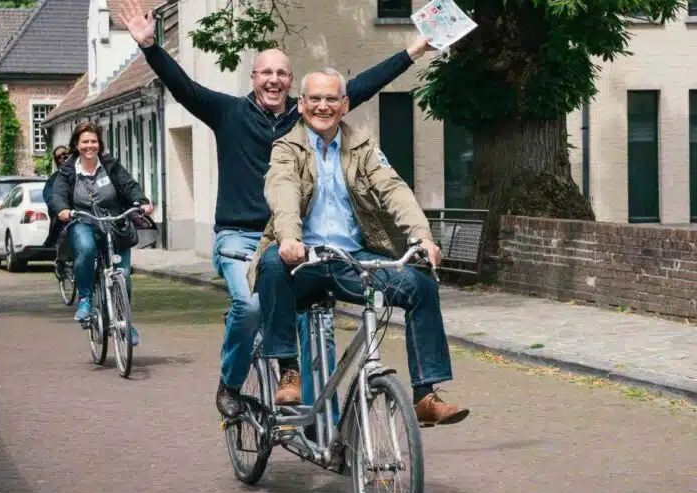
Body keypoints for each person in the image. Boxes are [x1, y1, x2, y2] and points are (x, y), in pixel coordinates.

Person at [118, 0, 438, 420]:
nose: (273, 80)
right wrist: (150, 47)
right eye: (265, 72)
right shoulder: (228, 113)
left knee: (317, 326)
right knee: (250, 307)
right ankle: (231, 384)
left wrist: (415, 50)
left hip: (300, 239)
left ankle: (321, 422)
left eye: (282, 73)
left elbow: (360, 86)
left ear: (291, 83)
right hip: (241, 236)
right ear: (254, 78)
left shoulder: (304, 117)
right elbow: (184, 88)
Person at [250, 68, 469, 427]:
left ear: (345, 104)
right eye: (315, 98)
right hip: (302, 259)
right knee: (273, 264)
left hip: (351, 261)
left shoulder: (363, 147)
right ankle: (289, 370)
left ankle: (425, 395)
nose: (323, 106)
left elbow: (394, 189)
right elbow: (283, 188)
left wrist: (421, 237)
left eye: (331, 98)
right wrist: (288, 237)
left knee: (421, 285)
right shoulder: (286, 148)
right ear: (301, 104)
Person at [48, 122, 154, 346]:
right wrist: (62, 209)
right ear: (77, 145)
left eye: (94, 141)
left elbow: (129, 185)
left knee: (123, 274)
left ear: (99, 143)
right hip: (83, 220)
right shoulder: (68, 170)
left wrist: (142, 201)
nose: (90, 146)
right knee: (86, 249)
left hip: (114, 221)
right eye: (85, 141)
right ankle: (85, 298)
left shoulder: (110, 165)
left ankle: (126, 322)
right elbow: (58, 194)